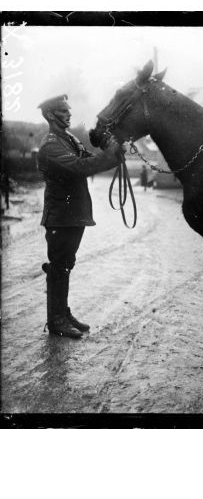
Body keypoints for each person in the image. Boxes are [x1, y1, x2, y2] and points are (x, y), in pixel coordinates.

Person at [37, 94, 122, 338]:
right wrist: (110, 155)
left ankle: (62, 314)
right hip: (60, 217)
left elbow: (87, 159)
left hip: (72, 214)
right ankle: (56, 321)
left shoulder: (69, 138)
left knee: (65, 264)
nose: (69, 114)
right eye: (64, 111)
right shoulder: (51, 144)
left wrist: (113, 153)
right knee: (59, 266)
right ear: (52, 115)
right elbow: (80, 167)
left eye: (68, 110)